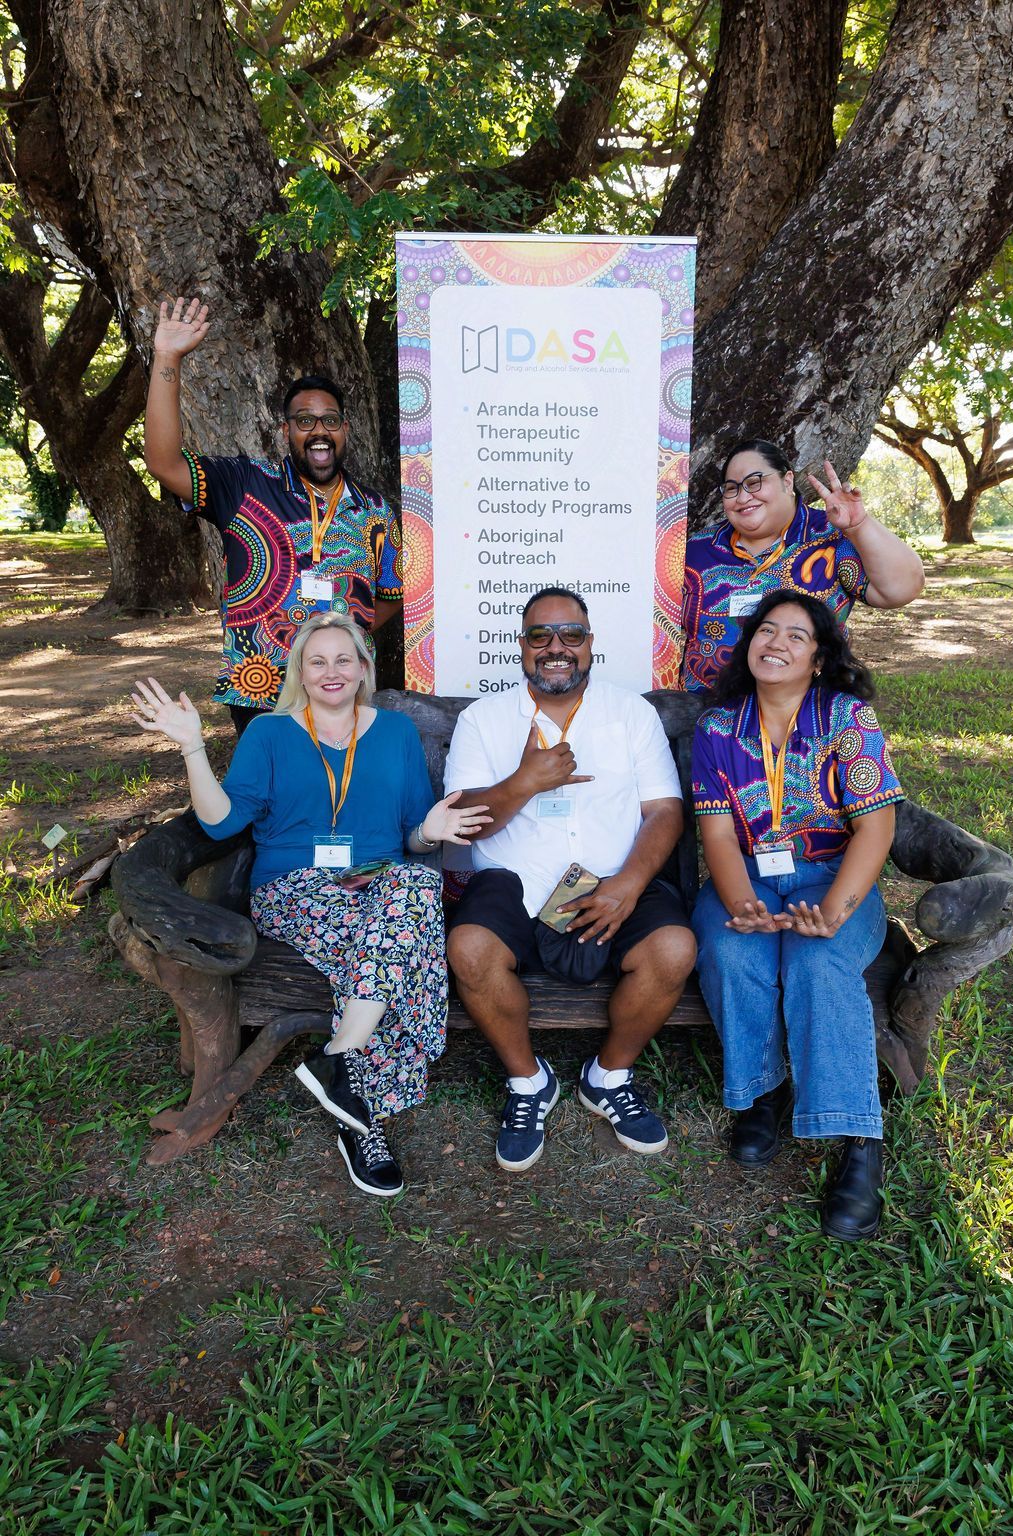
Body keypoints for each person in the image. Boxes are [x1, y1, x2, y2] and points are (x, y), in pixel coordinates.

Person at [130, 613, 489, 1197]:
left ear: (364, 669)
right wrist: (194, 747)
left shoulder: (395, 734)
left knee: (408, 890)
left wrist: (431, 827)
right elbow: (222, 824)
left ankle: (344, 1073)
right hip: (294, 885)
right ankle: (352, 1086)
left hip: (377, 878)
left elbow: (412, 840)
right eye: (316, 660)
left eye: (343, 659)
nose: (331, 671)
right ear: (299, 670)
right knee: (412, 918)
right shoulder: (269, 735)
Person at [444, 585, 696, 1173]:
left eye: (571, 635)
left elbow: (665, 812)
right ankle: (529, 1083)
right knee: (470, 948)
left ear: (590, 645)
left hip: (615, 879)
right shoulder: (483, 719)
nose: (556, 647)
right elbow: (464, 824)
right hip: (516, 883)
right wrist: (523, 782)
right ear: (522, 647)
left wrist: (628, 885)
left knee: (674, 949)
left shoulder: (630, 713)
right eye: (541, 636)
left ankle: (607, 1077)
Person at [689, 589, 905, 1241]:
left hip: (837, 878)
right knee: (731, 950)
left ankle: (859, 1140)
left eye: (796, 636)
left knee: (817, 959)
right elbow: (720, 837)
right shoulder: (717, 729)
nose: (775, 643)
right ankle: (763, 1091)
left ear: (818, 659)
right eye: (766, 630)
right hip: (751, 875)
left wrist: (835, 910)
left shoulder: (847, 719)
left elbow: (876, 827)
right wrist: (739, 904)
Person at [144, 296, 403, 734]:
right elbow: (163, 463)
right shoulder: (244, 484)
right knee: (269, 797)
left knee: (338, 797)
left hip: (345, 693)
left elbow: (390, 596)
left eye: (330, 420)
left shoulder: (375, 510)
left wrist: (345, 633)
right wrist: (167, 357)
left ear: (345, 430)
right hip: (260, 688)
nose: (319, 430)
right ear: (286, 431)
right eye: (305, 421)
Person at [681, 438, 925, 693]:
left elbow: (900, 590)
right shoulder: (696, 550)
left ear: (787, 481)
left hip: (810, 716)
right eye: (732, 488)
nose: (743, 497)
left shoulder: (830, 536)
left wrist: (859, 525)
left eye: (754, 483)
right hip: (710, 717)